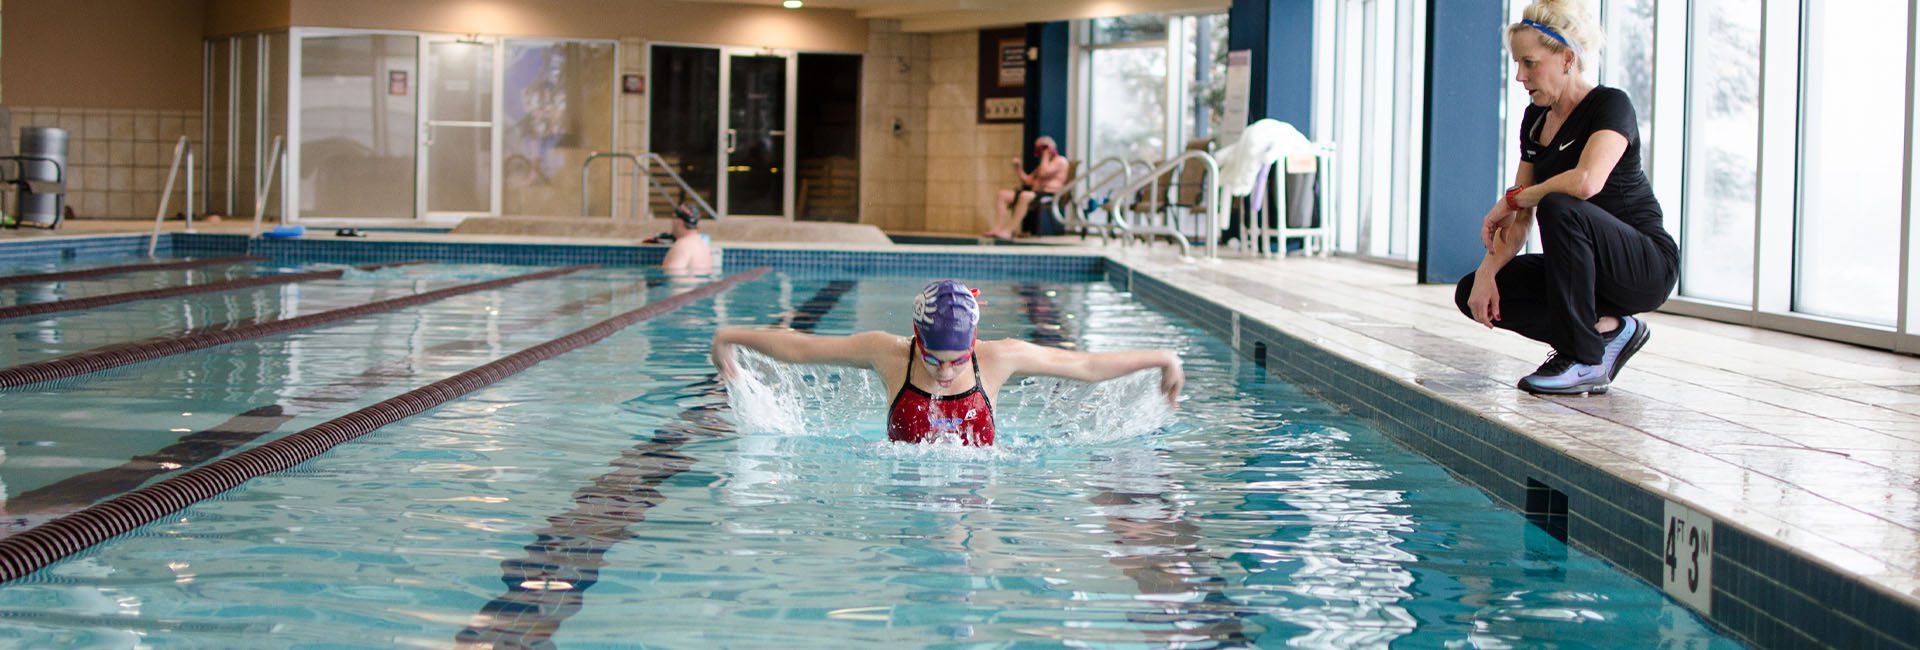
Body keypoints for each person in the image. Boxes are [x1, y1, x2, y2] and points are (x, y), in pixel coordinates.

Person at [1455, 0, 1678, 396]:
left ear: (1566, 59)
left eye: (1530, 63)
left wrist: (1516, 199)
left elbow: (1586, 182)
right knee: (1473, 291)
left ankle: (1583, 359)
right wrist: (1488, 273)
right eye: (1517, 64)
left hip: (1644, 264)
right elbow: (1521, 216)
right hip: (1586, 272)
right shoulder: (1535, 119)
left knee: (1560, 204)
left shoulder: (1610, 105)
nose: (1521, 76)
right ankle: (1609, 329)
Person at [710, 280, 1183, 446]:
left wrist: (1161, 357)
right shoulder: (887, 353)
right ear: (917, 339)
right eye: (933, 358)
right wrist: (728, 336)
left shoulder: (998, 358)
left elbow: (1086, 367)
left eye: (957, 360)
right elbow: (801, 348)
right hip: (903, 504)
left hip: (977, 507)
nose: (944, 372)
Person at [984, 136, 1071, 240]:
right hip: (1034, 193)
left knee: (1025, 196)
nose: (1040, 152)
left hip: (1050, 194)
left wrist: (1045, 155)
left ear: (1050, 148)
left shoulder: (1060, 161)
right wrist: (1018, 168)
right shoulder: (1044, 164)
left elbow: (1043, 173)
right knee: (1002, 194)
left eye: (1042, 148)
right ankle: (997, 228)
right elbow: (1028, 181)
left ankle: (1008, 231)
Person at [658, 204, 714, 273]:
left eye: (673, 219)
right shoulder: (703, 244)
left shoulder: (682, 245)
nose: (672, 224)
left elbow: (669, 276)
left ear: (679, 222)